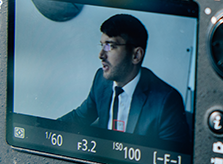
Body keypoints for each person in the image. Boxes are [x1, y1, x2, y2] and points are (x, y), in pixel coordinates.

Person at [61, 13, 190, 147]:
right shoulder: (101, 79)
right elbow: (80, 117)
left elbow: (172, 157)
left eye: (110, 46)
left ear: (136, 55)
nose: (101, 55)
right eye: (102, 45)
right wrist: (44, 130)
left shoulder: (167, 101)